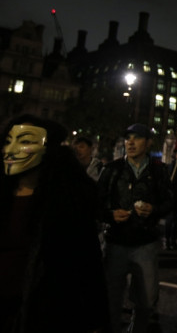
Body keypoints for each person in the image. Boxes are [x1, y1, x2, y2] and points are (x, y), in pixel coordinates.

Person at [0, 115, 108, 332]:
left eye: (25, 141)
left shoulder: (68, 204)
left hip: (39, 314)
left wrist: (95, 319)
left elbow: (87, 264)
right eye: (8, 140)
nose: (10, 150)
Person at [98, 123, 174, 333]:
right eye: (128, 138)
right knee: (112, 297)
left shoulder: (158, 171)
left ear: (148, 143)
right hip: (116, 242)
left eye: (137, 138)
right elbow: (96, 203)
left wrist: (154, 209)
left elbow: (170, 202)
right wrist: (111, 214)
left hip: (146, 244)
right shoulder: (112, 170)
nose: (130, 142)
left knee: (147, 299)